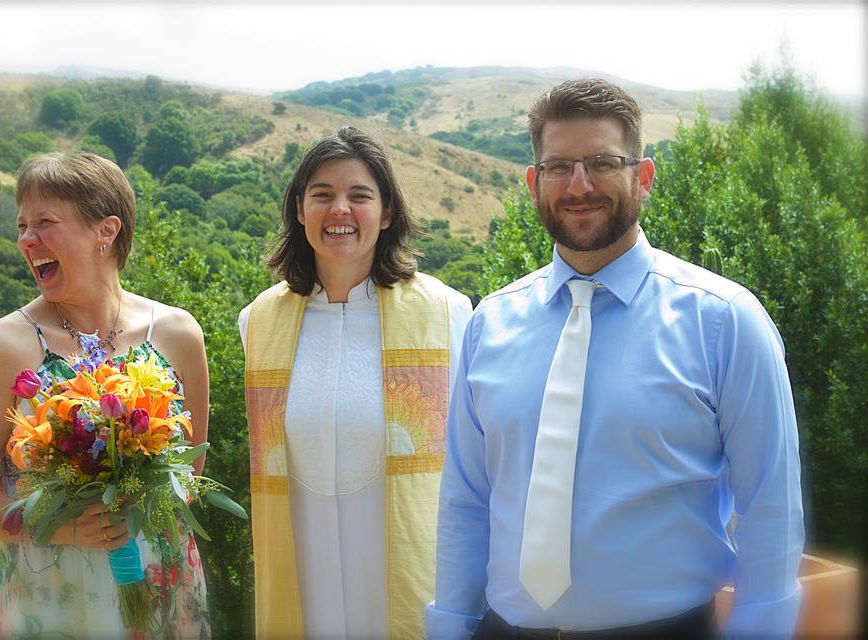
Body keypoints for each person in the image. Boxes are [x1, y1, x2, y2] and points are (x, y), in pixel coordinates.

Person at [427, 79, 804, 639]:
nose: (579, 185)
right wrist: (451, 626)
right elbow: (466, 498)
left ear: (643, 177)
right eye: (558, 167)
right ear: (534, 184)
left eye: (602, 162)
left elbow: (770, 507)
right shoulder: (491, 323)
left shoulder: (724, 321)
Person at [0, 152, 211, 638]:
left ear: (105, 231)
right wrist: (66, 527)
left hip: (161, 585)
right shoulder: (1, 347)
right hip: (54, 600)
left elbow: (191, 477)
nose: (27, 239)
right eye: (22, 225)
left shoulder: (178, 333)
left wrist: (137, 493)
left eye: (45, 222)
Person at [239, 125, 472, 639]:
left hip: (403, 570)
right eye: (322, 195)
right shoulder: (258, 321)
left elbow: (475, 461)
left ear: (387, 213)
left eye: (359, 196)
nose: (339, 209)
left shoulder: (448, 312)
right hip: (302, 564)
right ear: (299, 210)